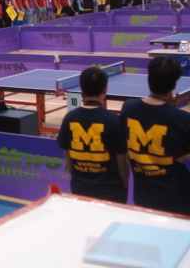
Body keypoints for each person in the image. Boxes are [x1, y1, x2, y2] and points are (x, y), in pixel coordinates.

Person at [120, 56, 190, 216]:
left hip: (143, 198)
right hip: (177, 200)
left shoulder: (128, 108)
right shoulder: (182, 119)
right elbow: (183, 153)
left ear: (149, 78)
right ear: (174, 84)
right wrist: (173, 112)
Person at [57, 67, 129, 203]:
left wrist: (76, 180)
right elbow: (122, 159)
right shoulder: (114, 120)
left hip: (80, 189)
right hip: (110, 192)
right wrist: (125, 186)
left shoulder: (69, 117)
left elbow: (67, 154)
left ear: (81, 89)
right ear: (105, 89)